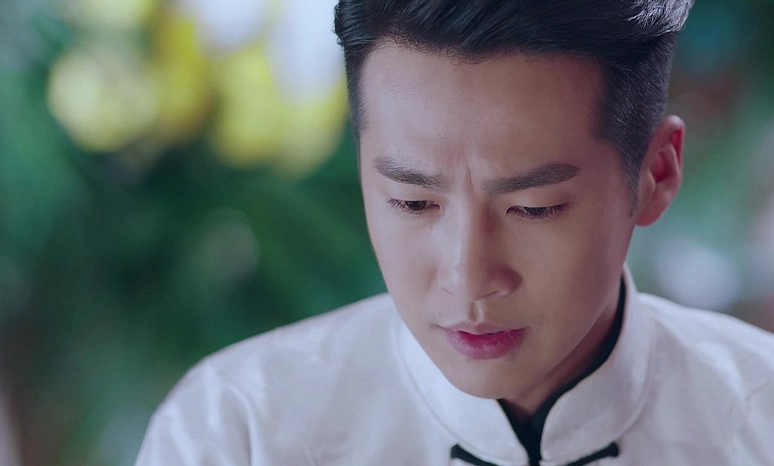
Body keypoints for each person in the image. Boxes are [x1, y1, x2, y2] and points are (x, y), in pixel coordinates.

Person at [136, 1, 774, 464]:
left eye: (533, 208)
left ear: (656, 174)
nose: (468, 277)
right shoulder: (235, 433)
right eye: (413, 202)